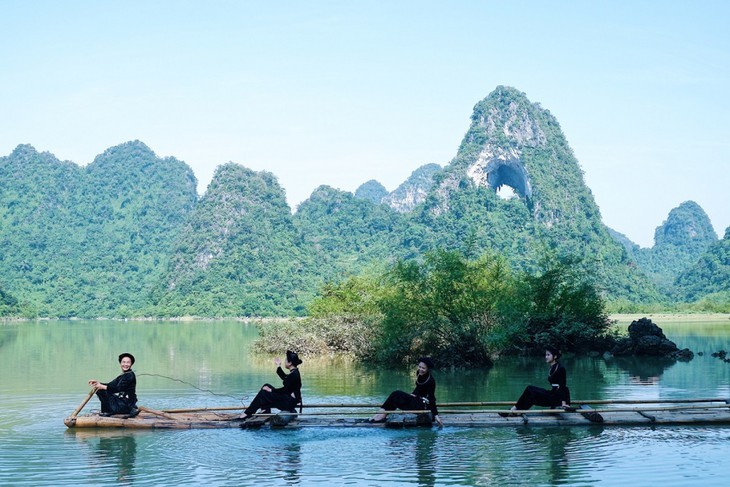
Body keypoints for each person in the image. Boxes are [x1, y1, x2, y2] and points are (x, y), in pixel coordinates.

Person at [369, 357, 443, 426]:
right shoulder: (419, 373)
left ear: (428, 369)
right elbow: (419, 388)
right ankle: (380, 414)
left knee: (397, 394)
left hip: (423, 406)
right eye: (419, 367)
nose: (420, 369)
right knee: (395, 396)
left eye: (423, 368)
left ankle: (382, 415)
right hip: (417, 399)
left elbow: (432, 399)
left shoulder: (431, 381)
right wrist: (413, 394)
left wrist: (436, 416)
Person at [500, 346, 571, 417]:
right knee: (531, 396)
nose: (546, 357)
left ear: (555, 356)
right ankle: (518, 411)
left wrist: (563, 403)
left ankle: (513, 410)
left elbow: (563, 386)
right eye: (546, 355)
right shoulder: (552, 367)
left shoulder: (561, 368)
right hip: (552, 393)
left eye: (548, 355)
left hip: (557, 398)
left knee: (530, 389)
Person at [238, 350, 303, 421]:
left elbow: (284, 390)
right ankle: (265, 409)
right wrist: (278, 365)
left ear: (290, 363)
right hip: (288, 399)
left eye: (286, 360)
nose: (285, 362)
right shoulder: (294, 372)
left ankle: (248, 413)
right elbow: (285, 378)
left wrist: (271, 390)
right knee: (266, 385)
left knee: (263, 393)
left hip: (288, 403)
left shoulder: (294, 374)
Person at [88, 352, 138, 417]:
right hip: (122, 402)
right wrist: (98, 383)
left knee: (102, 390)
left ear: (131, 364)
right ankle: (107, 411)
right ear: (120, 363)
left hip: (126, 405)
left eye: (128, 362)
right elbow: (110, 385)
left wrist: (102, 386)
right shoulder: (123, 375)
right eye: (123, 362)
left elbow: (118, 389)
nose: (125, 364)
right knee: (100, 390)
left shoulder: (130, 375)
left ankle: (109, 411)